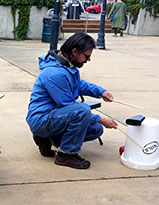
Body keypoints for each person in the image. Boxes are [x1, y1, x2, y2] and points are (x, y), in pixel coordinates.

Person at [26, 32, 118, 170]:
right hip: (41, 120)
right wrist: (101, 119)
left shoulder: (66, 65)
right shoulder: (53, 73)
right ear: (74, 51)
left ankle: (47, 139)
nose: (88, 60)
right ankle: (66, 155)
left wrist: (101, 92)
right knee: (82, 110)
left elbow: (79, 84)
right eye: (87, 56)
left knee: (95, 130)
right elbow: (69, 105)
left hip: (56, 116)